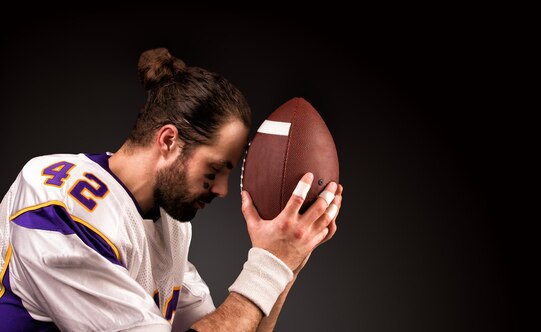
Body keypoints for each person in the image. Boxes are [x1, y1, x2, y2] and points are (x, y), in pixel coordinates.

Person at [0, 48, 343, 331]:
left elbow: (238, 325)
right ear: (168, 141)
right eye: (213, 170)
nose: (222, 190)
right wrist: (269, 263)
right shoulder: (58, 200)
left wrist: (289, 260)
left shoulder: (170, 224)